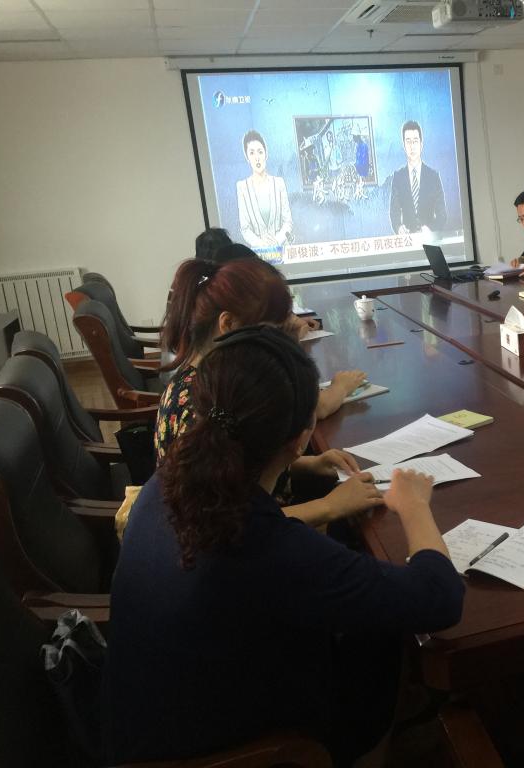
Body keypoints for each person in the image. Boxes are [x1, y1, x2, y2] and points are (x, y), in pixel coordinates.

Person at [102, 325, 464, 766]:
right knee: (379, 636)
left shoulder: (169, 481)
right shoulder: (267, 547)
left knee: (355, 579)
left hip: (144, 717)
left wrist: (307, 470)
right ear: (300, 437)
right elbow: (440, 597)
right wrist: (414, 506)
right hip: (221, 750)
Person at [158, 258, 374, 528]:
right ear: (228, 323)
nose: (278, 344)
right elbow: (226, 523)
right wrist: (329, 506)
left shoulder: (213, 382)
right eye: (271, 331)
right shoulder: (204, 404)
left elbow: (239, 465)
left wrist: (310, 463)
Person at [236, 130, 293, 250]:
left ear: (266, 154)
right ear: (247, 157)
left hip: (282, 250)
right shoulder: (242, 187)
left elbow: (288, 222)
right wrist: (261, 244)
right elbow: (245, 228)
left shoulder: (279, 183)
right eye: (252, 153)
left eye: (260, 152)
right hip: (258, 255)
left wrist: (277, 241)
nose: (257, 158)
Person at [389, 120, 446, 234]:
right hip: (407, 240)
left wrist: (430, 229)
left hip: (430, 239)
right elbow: (394, 212)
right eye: (408, 141)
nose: (412, 146)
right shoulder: (398, 177)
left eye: (415, 141)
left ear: (421, 144)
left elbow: (442, 215)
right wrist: (399, 228)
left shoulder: (433, 176)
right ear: (404, 145)